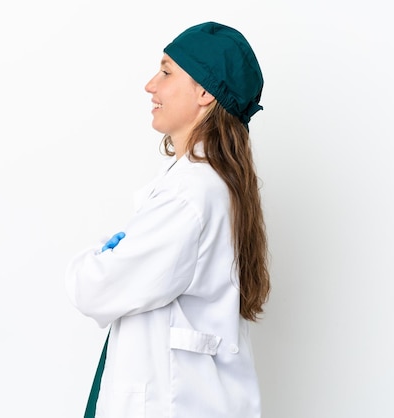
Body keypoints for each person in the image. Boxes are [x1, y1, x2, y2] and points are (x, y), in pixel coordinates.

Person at [65, 21, 270, 418]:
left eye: (166, 71)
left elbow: (94, 288)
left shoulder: (189, 196)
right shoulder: (207, 186)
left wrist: (96, 258)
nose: (150, 86)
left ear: (205, 92)